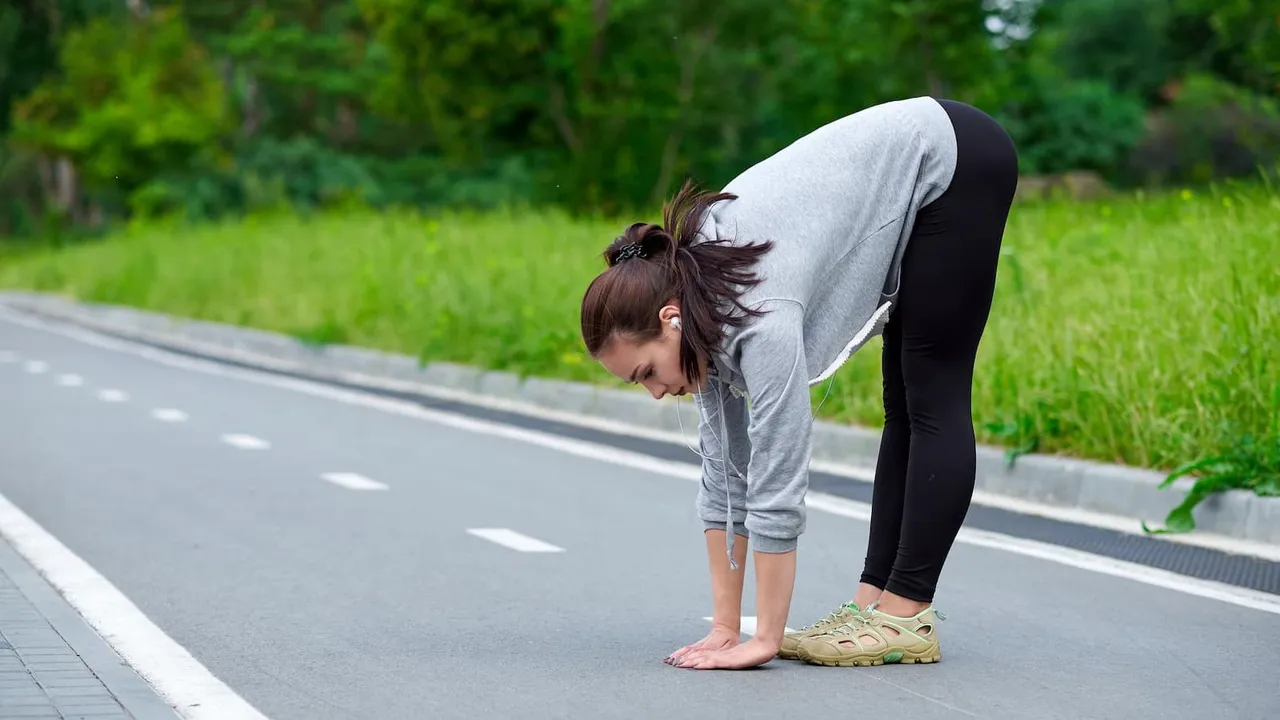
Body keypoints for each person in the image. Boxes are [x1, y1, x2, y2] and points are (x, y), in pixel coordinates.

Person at [578, 96, 1019, 670]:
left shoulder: (758, 311)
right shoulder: (697, 304)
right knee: (902, 403)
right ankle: (872, 605)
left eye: (646, 373)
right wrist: (724, 627)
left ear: (669, 317)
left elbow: (778, 473)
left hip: (953, 160)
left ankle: (906, 616)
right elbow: (725, 475)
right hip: (913, 165)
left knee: (930, 391)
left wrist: (764, 640)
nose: (656, 392)